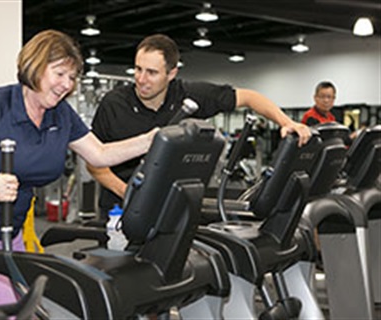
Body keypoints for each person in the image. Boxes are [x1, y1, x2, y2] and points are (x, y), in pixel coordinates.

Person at [0, 29, 158, 310]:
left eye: (72, 78)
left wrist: (150, 141)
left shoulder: (61, 114)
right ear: (34, 66)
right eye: (59, 74)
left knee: (34, 309)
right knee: (9, 313)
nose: (66, 85)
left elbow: (100, 153)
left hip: (11, 228)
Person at [87, 34, 312, 221]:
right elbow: (95, 164)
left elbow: (250, 97)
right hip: (119, 209)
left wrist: (287, 122)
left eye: (152, 73)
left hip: (170, 206)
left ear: (172, 73)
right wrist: (128, 193)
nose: (142, 79)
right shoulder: (113, 104)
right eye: (138, 69)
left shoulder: (187, 94)